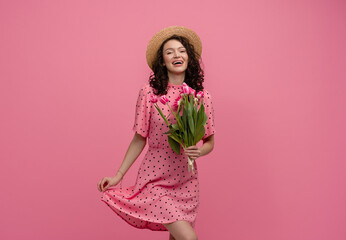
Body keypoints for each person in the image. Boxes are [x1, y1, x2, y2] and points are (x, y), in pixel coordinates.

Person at [97, 26, 215, 240]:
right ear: (162, 61)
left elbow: (209, 141)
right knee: (189, 238)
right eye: (169, 52)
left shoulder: (201, 96)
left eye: (181, 50)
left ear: (189, 57)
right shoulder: (149, 93)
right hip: (156, 179)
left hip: (187, 180)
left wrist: (199, 151)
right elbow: (139, 138)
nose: (176, 55)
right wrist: (118, 175)